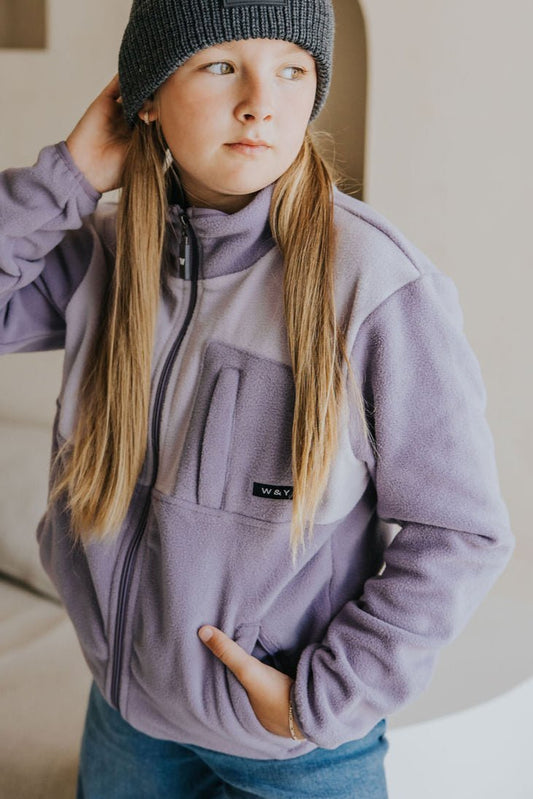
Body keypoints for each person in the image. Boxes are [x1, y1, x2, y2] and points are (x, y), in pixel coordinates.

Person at [0, 0, 515, 796]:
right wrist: (67, 175)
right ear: (143, 96)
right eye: (219, 65)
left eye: (292, 70)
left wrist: (321, 700)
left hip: (294, 750)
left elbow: (461, 529)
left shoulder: (376, 285)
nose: (259, 103)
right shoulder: (106, 254)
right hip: (127, 716)